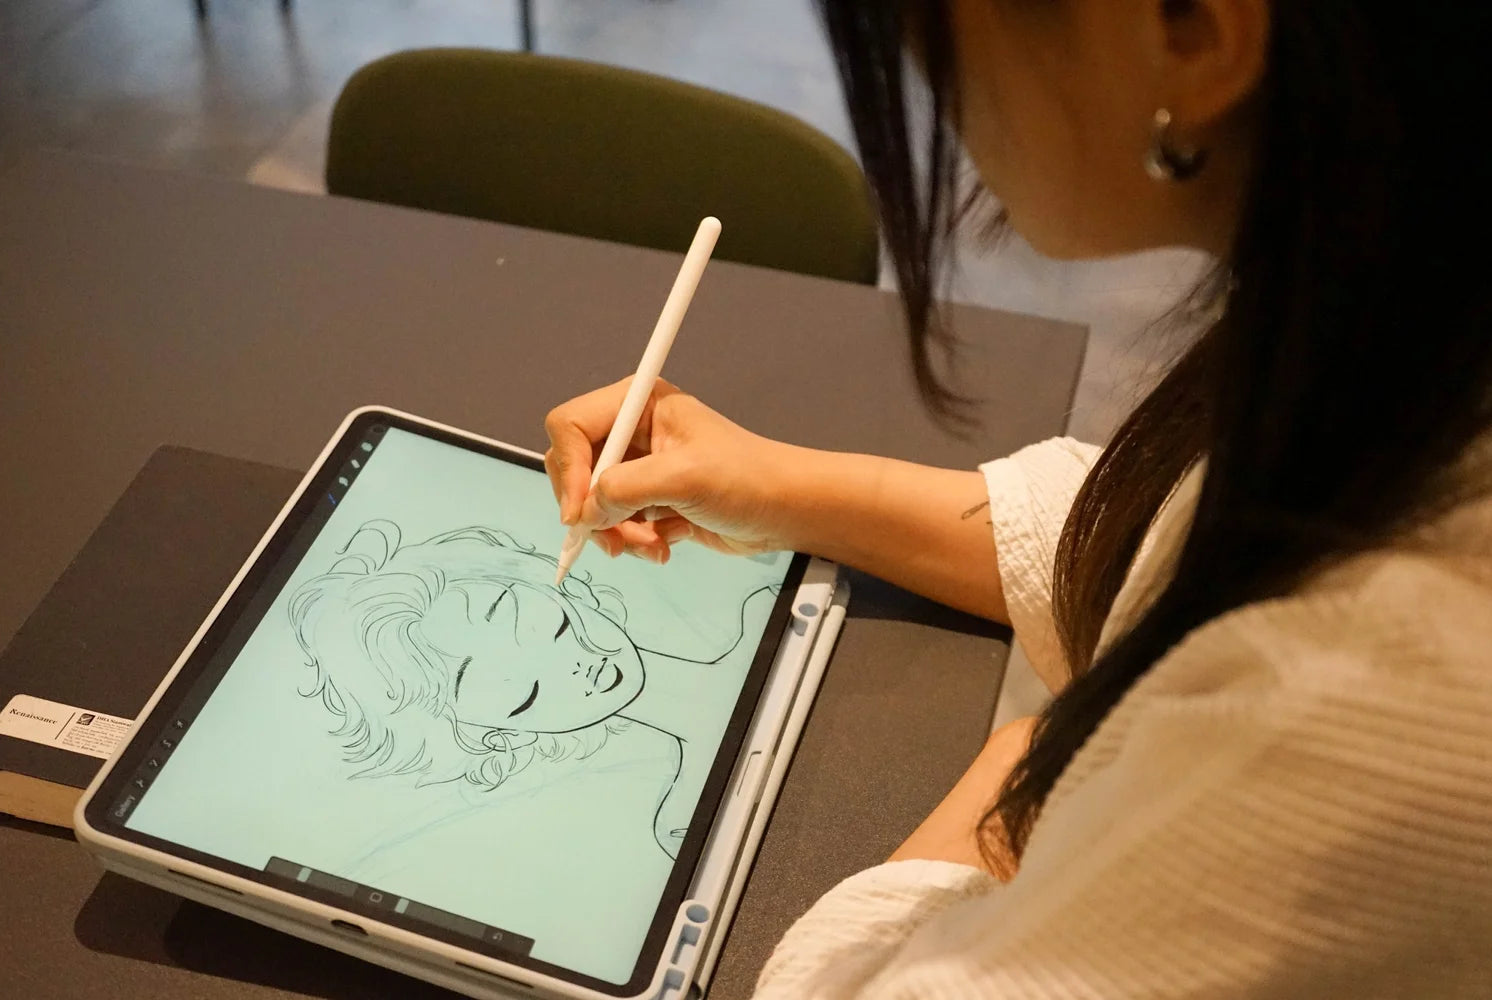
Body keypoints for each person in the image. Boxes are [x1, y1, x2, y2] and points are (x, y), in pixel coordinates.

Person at [542, 0, 1492, 995]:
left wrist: (1026, 775)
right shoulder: (1397, 332)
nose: (923, 79)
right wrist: (770, 485)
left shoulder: (1348, 707)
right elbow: (1156, 536)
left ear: (1193, 32)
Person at [288, 519, 778, 858]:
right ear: (498, 737)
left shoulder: (777, 605)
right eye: (523, 693)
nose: (572, 667)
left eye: (541, 623)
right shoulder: (686, 826)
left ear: (555, 582)